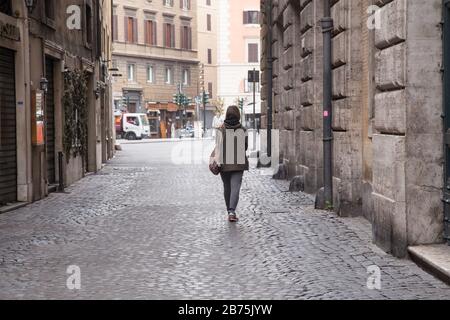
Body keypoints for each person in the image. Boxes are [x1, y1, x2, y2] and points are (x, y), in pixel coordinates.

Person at [212, 106, 249, 222]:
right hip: (238, 164)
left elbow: (218, 147)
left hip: (224, 164)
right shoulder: (243, 130)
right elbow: (245, 147)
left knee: (227, 187)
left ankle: (230, 211)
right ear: (238, 115)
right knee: (235, 187)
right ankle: (232, 212)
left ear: (227, 115)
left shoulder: (220, 129)